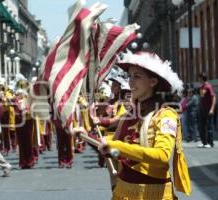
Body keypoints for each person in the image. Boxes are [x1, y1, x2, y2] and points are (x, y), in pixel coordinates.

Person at [74, 51, 191, 199]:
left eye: (137, 76)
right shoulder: (130, 114)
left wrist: (116, 146)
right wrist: (85, 135)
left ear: (153, 82)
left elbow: (162, 156)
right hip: (122, 194)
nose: (130, 82)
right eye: (129, 76)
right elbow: (114, 153)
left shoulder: (166, 115)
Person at [198, 72, 216, 148]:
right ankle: (204, 142)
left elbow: (214, 97)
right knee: (201, 126)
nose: (198, 79)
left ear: (202, 78)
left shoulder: (208, 86)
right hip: (202, 109)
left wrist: (212, 109)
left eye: (199, 78)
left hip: (208, 109)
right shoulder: (202, 87)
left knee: (209, 126)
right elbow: (202, 96)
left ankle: (210, 143)